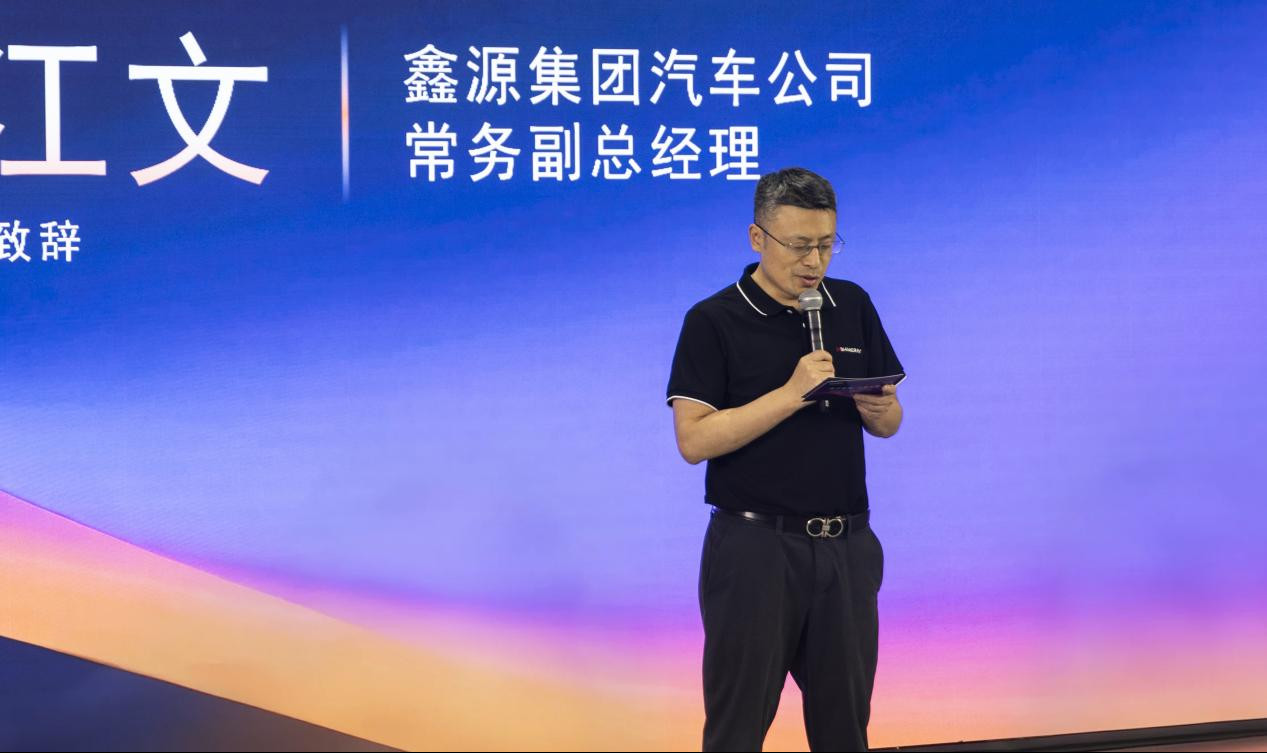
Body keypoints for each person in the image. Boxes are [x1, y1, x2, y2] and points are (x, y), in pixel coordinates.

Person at [666, 167, 904, 751]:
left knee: (846, 729)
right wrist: (792, 393)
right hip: (756, 551)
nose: (813, 261)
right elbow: (693, 441)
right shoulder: (713, 320)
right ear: (758, 238)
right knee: (738, 729)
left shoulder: (851, 303)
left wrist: (882, 411)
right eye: (799, 245)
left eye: (826, 244)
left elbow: (890, 422)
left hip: (847, 547)